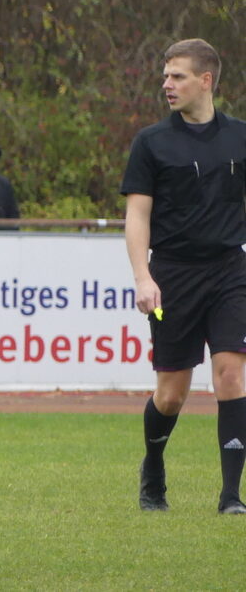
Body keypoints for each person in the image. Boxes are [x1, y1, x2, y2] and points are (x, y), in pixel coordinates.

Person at [121, 38, 246, 516]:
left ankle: (231, 495)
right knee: (172, 393)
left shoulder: (239, 137)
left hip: (230, 270)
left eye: (177, 76)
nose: (166, 84)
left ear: (206, 80)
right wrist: (142, 276)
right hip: (172, 273)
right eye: (166, 75)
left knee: (231, 374)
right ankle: (153, 468)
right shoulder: (152, 142)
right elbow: (138, 216)